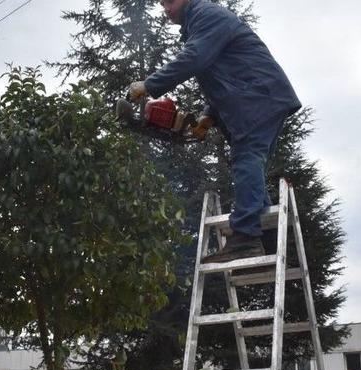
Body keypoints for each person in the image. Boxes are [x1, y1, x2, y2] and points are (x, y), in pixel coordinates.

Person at [129, 0, 301, 262]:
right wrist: (208, 117)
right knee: (249, 160)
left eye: (170, 2)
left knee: (247, 157)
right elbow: (227, 75)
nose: (166, 8)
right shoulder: (201, 21)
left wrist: (149, 84)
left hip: (258, 97)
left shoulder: (207, 15)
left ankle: (245, 237)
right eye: (162, 4)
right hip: (258, 97)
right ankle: (257, 230)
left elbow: (195, 58)